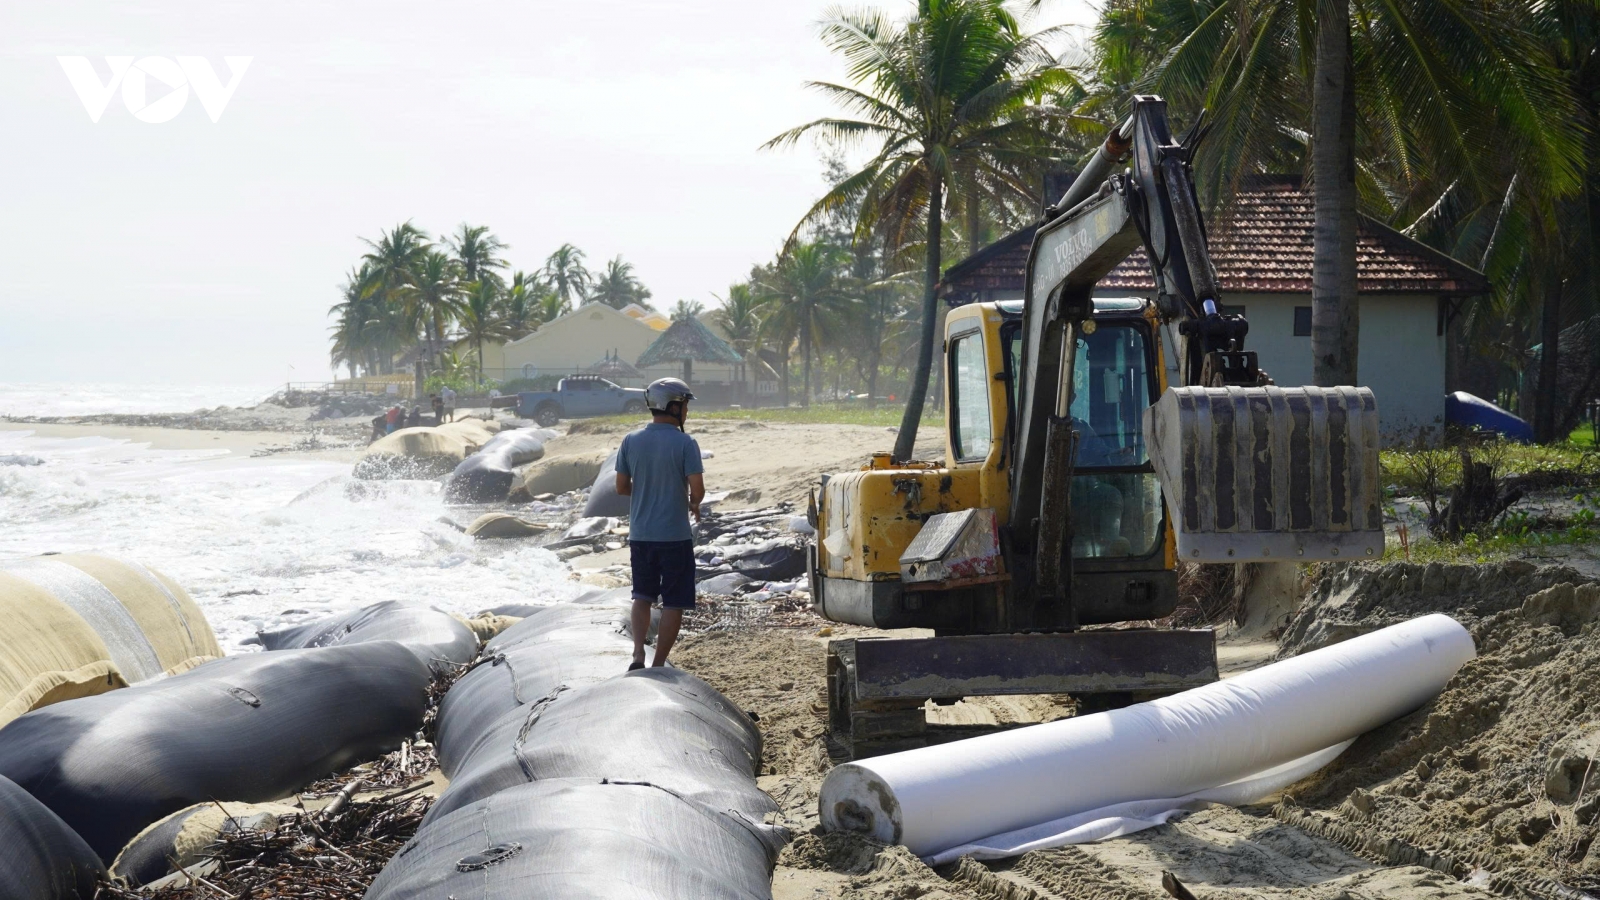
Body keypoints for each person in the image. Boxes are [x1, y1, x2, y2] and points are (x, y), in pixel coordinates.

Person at [617, 377, 704, 671]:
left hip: (641, 535)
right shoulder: (686, 443)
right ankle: (659, 664)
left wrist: (646, 490)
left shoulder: (631, 441)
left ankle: (638, 654)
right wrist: (692, 501)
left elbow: (621, 486)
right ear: (674, 406)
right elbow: (699, 490)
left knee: (641, 596)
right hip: (674, 537)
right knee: (673, 602)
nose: (687, 411)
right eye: (686, 405)